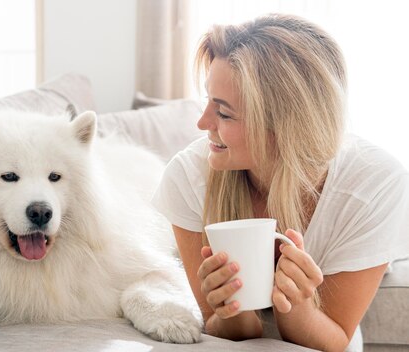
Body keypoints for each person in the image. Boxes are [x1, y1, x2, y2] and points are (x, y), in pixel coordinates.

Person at [151, 13, 409, 352]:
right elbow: (221, 329)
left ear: (285, 126)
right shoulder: (187, 177)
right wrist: (230, 309)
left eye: (224, 113)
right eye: (207, 102)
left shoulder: (373, 184)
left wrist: (297, 306)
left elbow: (335, 340)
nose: (202, 123)